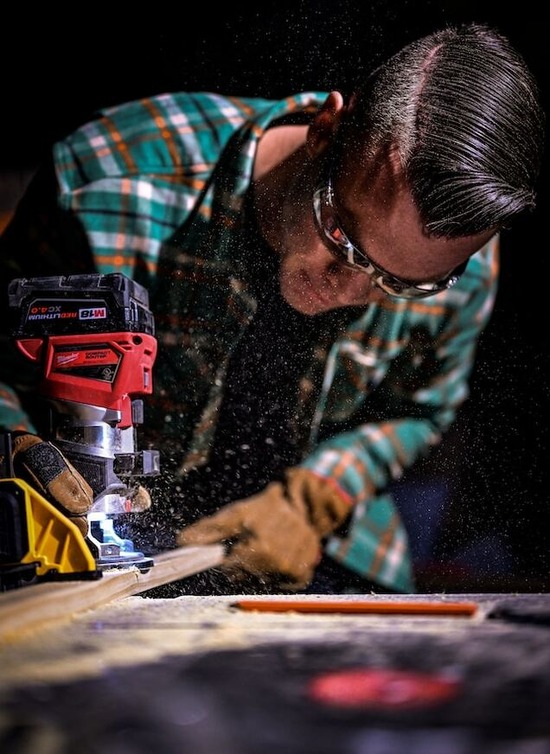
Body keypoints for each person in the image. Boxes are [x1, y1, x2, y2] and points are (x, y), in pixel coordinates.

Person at [0, 23, 544, 595]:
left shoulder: (461, 266)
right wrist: (11, 442)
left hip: (321, 554)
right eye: (343, 237)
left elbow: (419, 412)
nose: (349, 290)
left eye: (397, 283)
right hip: (91, 551)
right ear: (326, 131)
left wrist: (312, 499)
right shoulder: (105, 185)